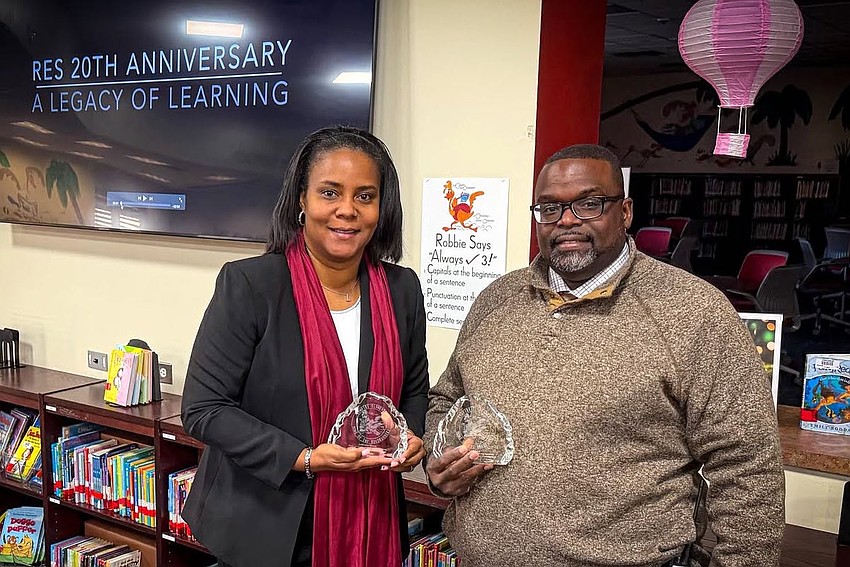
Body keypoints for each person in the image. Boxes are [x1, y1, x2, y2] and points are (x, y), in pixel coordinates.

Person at [423, 144, 784, 567]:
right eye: (550, 208)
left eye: (589, 203)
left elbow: (746, 467)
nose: (567, 221)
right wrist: (439, 460)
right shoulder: (496, 299)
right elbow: (447, 400)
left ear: (625, 212)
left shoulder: (694, 312)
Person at [181, 126, 429, 567]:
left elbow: (412, 390)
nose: (347, 211)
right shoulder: (251, 285)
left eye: (365, 196)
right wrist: (305, 458)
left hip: (371, 521)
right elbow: (204, 408)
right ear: (301, 199)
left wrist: (409, 438)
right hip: (267, 526)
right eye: (330, 193)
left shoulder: (402, 290)